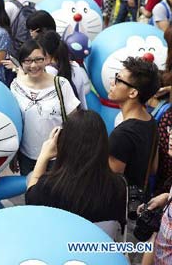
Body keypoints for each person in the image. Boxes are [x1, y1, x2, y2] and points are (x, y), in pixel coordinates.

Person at [26, 110, 127, 230]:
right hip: (97, 245)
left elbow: (30, 199)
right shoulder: (118, 186)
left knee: (30, 176)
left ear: (63, 143)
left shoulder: (49, 187)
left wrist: (43, 155)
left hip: (58, 245)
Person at [10, 40, 80, 175]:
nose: (33, 65)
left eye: (38, 59)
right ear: (21, 63)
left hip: (57, 156)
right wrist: (14, 155)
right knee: (31, 192)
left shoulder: (61, 84)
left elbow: (74, 122)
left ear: (46, 59)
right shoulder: (15, 86)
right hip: (27, 156)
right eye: (28, 61)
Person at [108, 57, 160, 188]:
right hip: (140, 202)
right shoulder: (151, 122)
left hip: (119, 206)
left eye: (118, 79)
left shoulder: (122, 134)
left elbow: (110, 183)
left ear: (133, 92)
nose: (112, 83)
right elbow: (153, 168)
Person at [38, 31, 91, 109]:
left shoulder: (47, 72)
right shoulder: (75, 66)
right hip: (77, 115)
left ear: (45, 53)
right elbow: (81, 98)